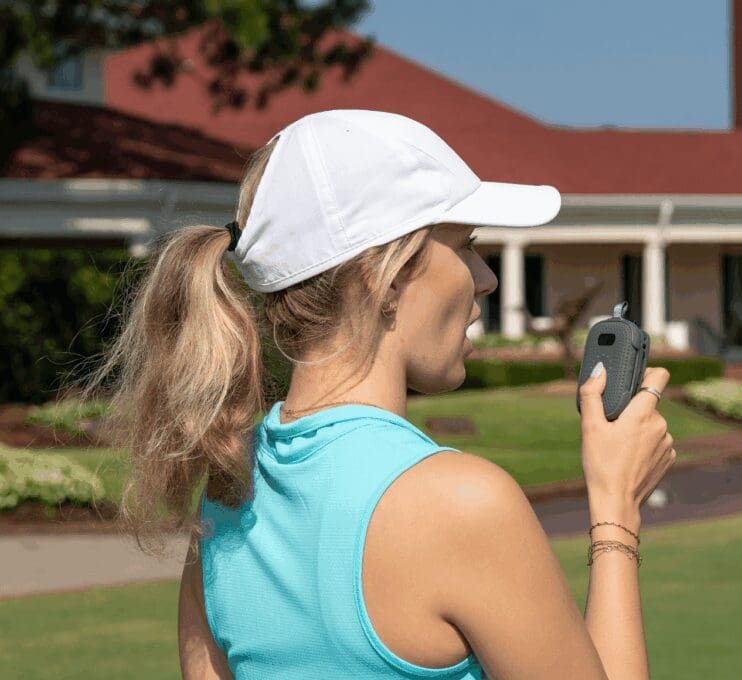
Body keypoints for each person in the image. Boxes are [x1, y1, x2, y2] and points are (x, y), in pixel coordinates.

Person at [81, 109, 676, 679]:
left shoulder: (224, 497)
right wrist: (616, 508)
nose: (486, 277)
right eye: (465, 243)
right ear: (385, 276)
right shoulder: (462, 502)